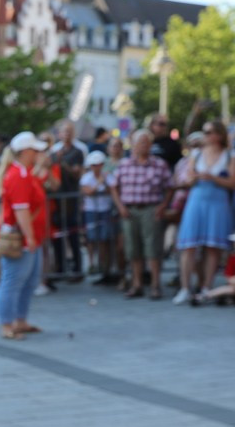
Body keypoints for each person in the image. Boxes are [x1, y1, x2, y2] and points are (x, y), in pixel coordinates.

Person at [173, 121, 235, 304]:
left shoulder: (230, 155)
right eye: (205, 132)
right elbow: (187, 179)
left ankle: (206, 287)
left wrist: (214, 178)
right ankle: (185, 287)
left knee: (212, 247)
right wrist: (192, 178)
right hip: (197, 199)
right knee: (189, 245)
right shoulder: (196, 154)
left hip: (217, 201)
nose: (206, 135)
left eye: (209, 132)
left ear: (219, 135)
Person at [0, 133, 48, 339]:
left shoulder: (23, 173)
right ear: (26, 152)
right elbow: (21, 209)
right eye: (35, 150)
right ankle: (7, 324)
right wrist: (31, 237)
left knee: (28, 280)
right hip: (20, 238)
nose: (38, 154)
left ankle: (20, 320)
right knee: (13, 281)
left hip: (25, 237)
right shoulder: (19, 175)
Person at [110, 130, 173, 300]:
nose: (142, 146)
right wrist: (120, 206)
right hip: (129, 210)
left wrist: (163, 206)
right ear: (134, 145)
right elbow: (114, 187)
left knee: (153, 249)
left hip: (150, 208)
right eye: (140, 142)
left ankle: (155, 285)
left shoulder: (159, 164)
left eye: (146, 142)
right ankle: (136, 284)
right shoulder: (124, 164)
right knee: (133, 249)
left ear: (151, 145)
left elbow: (170, 187)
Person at [49, 120, 88, 282]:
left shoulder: (77, 152)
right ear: (59, 134)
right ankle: (59, 267)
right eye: (63, 131)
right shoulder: (53, 152)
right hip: (57, 199)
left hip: (70, 199)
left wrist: (62, 163)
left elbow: (76, 174)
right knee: (57, 235)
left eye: (69, 131)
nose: (66, 134)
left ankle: (77, 269)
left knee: (72, 234)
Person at [80, 150, 116, 284]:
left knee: (103, 239)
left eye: (99, 164)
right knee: (91, 238)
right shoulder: (87, 178)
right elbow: (88, 191)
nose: (97, 167)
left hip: (105, 210)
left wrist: (102, 182)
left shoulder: (108, 176)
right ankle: (91, 263)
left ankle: (103, 264)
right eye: (94, 165)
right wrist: (99, 183)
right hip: (91, 211)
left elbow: (111, 189)